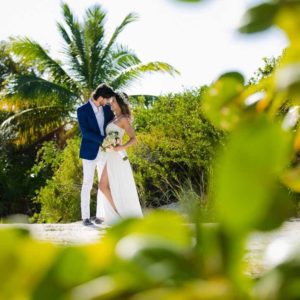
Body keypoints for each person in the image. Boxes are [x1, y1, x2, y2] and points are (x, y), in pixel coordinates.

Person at [98, 92, 143, 225]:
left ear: (120, 103)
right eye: (111, 101)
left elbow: (134, 139)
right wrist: (107, 144)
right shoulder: (113, 118)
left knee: (112, 186)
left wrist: (121, 147)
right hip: (109, 156)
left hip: (118, 156)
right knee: (103, 186)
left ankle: (121, 216)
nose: (111, 103)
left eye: (113, 102)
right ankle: (119, 215)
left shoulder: (123, 119)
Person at [77, 83, 115, 226]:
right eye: (106, 99)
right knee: (87, 183)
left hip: (105, 152)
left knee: (102, 183)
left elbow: (112, 124)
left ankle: (100, 215)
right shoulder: (82, 110)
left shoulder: (106, 110)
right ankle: (85, 217)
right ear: (100, 97)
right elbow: (85, 133)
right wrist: (103, 140)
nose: (107, 103)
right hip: (89, 152)